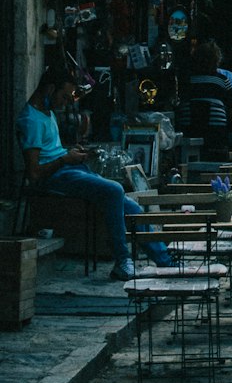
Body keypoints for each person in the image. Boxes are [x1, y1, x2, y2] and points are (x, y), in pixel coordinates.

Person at [17, 62, 173, 281]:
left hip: (69, 169)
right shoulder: (30, 120)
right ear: (51, 89)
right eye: (64, 95)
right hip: (54, 178)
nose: (66, 101)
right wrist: (64, 159)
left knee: (134, 207)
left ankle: (165, 262)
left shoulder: (47, 113)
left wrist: (71, 154)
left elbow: (53, 150)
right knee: (113, 189)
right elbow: (34, 173)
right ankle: (122, 260)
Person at [175, 40, 232, 158]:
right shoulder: (222, 80)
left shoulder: (187, 80)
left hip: (189, 130)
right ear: (216, 60)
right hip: (216, 134)